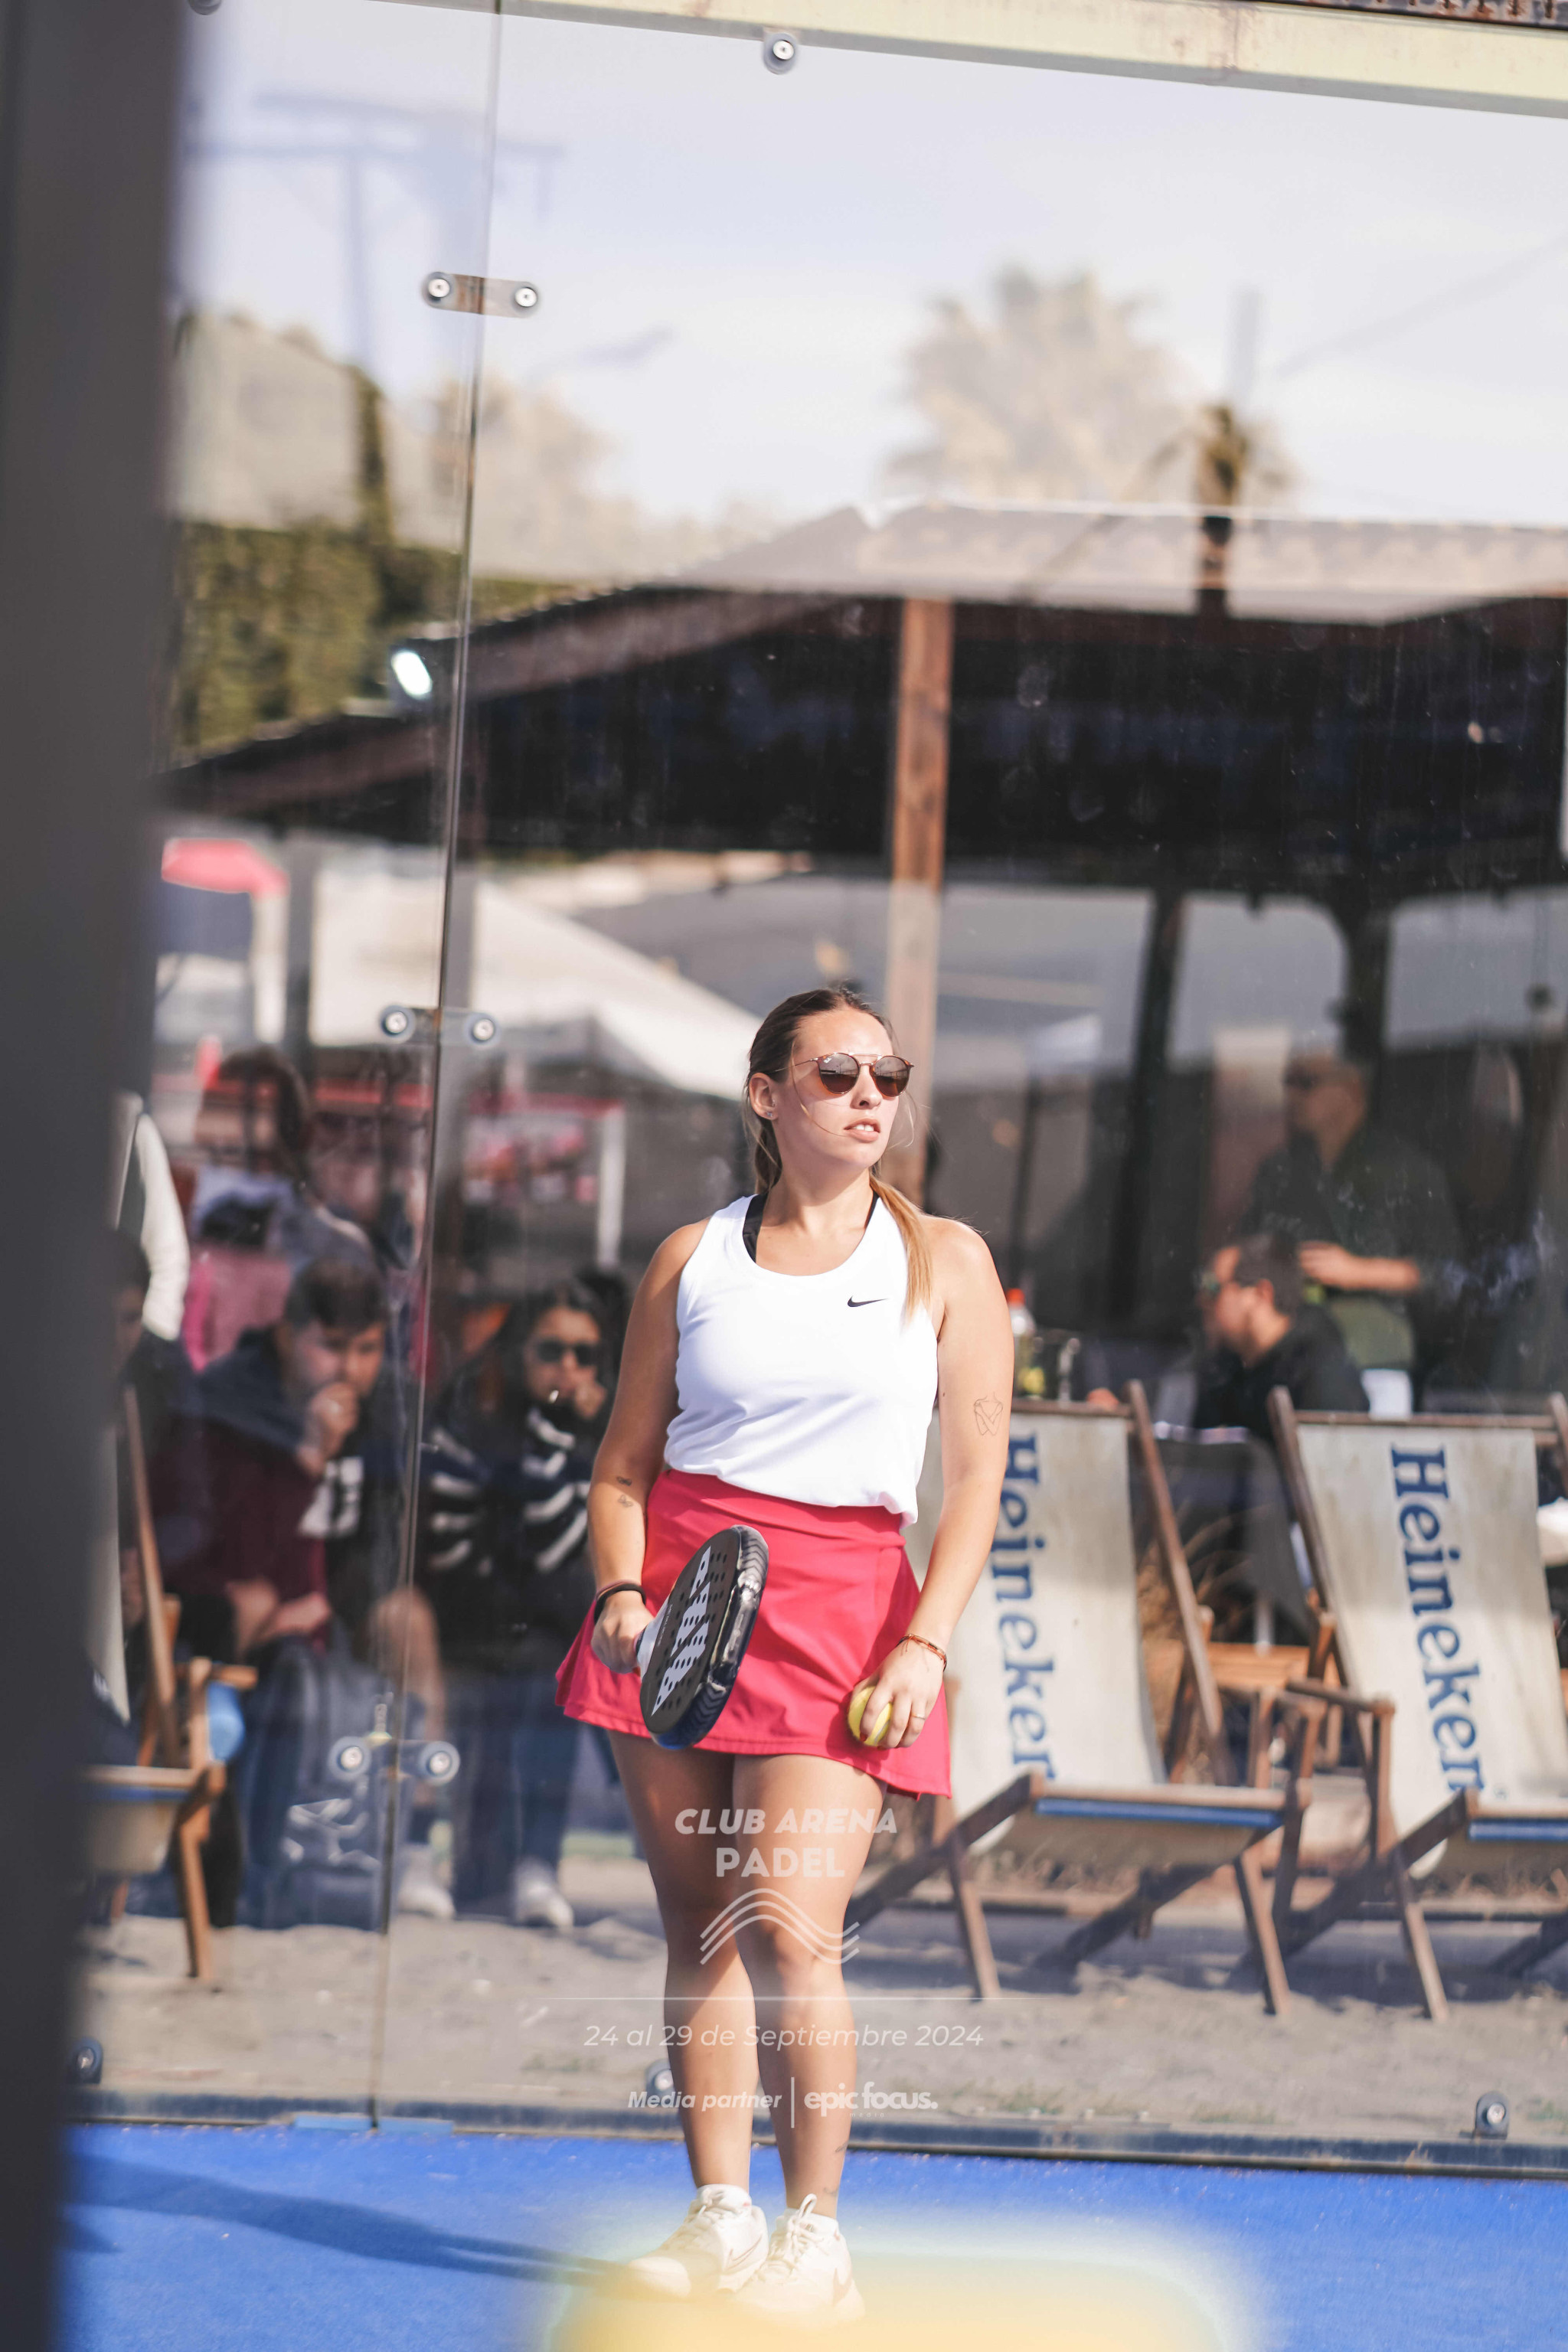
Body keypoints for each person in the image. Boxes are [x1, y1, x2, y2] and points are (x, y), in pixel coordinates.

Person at [557, 984, 1010, 2321]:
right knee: (698, 1923)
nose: (871, 1098)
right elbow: (620, 1469)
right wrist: (624, 1596)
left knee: (791, 1928)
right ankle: (719, 2214)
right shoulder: (687, 1258)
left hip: (847, 1616)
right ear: (767, 1096)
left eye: (889, 1076)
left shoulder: (948, 1260)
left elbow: (976, 1481)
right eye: (838, 1075)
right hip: (682, 1606)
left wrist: (923, 1644)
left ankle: (817, 2241)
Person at [420, 1279, 608, 1930]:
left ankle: (536, 1863)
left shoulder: (591, 1434)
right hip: (469, 1611)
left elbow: (569, 1542)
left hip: (543, 1623)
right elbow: (472, 1545)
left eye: (585, 1355)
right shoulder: (473, 1415)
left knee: (561, 1663)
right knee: (546, 1661)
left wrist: (578, 1435)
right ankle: (497, 1863)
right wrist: (568, 1440)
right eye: (551, 1351)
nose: (569, 1369)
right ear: (518, 1350)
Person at [155, 1256, 390, 1661]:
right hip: (239, 1621)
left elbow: (387, 1550)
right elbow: (223, 1558)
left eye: (368, 1349)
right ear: (285, 1338)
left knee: (406, 1619)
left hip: (329, 1616)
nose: (350, 1370)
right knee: (255, 1604)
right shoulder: (228, 1408)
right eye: (332, 1346)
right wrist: (310, 1455)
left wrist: (332, 1607)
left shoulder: (385, 1413)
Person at [1239, 1042, 1462, 1411]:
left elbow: (1448, 1274)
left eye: (1306, 1082)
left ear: (1351, 1089)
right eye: (1287, 1082)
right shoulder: (1279, 1171)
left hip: (1372, 1361)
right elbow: (1245, 1253)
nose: (1292, 1095)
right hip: (1286, 1358)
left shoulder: (1407, 1171)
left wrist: (1359, 1271)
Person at [181, 1047, 375, 1371]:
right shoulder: (180, 1218)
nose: (231, 1133)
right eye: (221, 1108)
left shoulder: (334, 1248)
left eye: (254, 1113)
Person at [1194, 1235, 1368, 1441]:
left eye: (1213, 1288)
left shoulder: (1323, 1371)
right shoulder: (1226, 1367)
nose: (1202, 1300)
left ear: (1261, 1295)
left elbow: (1333, 1454)